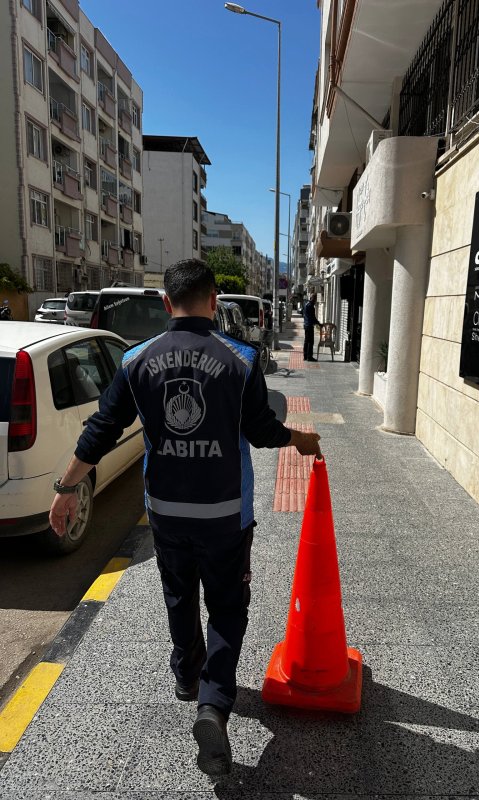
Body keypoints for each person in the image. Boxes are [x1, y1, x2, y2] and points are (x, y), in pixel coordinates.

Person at [49, 260, 321, 778]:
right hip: (225, 516)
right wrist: (298, 439)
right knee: (227, 606)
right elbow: (262, 430)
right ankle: (214, 706)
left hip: (166, 515)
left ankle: (186, 676)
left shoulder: (135, 360)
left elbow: (102, 429)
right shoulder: (241, 359)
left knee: (178, 594)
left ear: (166, 304)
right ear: (215, 302)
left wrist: (66, 489)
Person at [302, 293, 321, 361]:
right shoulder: (310, 306)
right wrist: (319, 324)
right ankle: (309, 357)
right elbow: (313, 317)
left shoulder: (306, 304)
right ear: (313, 298)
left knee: (306, 341)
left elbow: (305, 315)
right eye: (315, 299)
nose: (315, 301)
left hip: (306, 325)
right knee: (310, 342)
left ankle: (305, 356)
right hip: (309, 325)